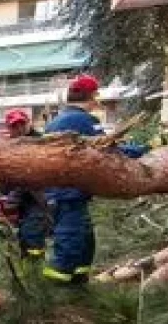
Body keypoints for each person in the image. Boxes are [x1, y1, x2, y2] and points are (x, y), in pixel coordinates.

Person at [40, 75, 145, 284]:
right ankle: (57, 291)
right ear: (92, 96)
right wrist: (143, 149)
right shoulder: (83, 120)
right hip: (70, 193)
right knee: (70, 242)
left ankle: (79, 282)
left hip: (60, 191)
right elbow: (107, 149)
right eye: (96, 96)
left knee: (85, 241)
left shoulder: (56, 121)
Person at [0, 109, 48, 258]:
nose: (19, 129)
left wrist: (13, 197)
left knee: (31, 232)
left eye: (21, 124)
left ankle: (34, 264)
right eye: (14, 126)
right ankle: (9, 253)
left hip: (35, 195)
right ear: (9, 129)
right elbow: (5, 170)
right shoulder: (10, 145)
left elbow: (30, 175)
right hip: (16, 193)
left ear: (28, 123)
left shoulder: (39, 142)